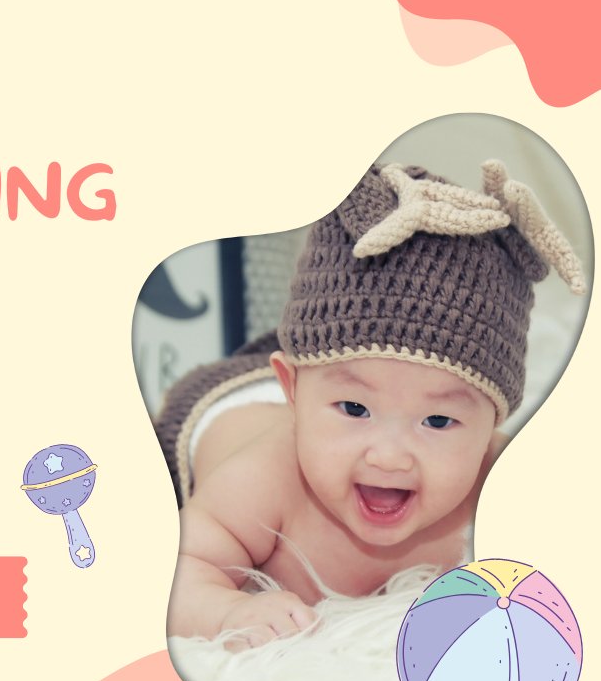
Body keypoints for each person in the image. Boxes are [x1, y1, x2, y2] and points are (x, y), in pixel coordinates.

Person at [159, 160, 586, 647]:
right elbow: (178, 569)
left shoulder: (501, 483)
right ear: (293, 392)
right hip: (227, 405)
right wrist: (225, 610)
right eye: (356, 411)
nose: (389, 456)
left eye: (439, 420)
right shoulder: (262, 482)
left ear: (492, 422)